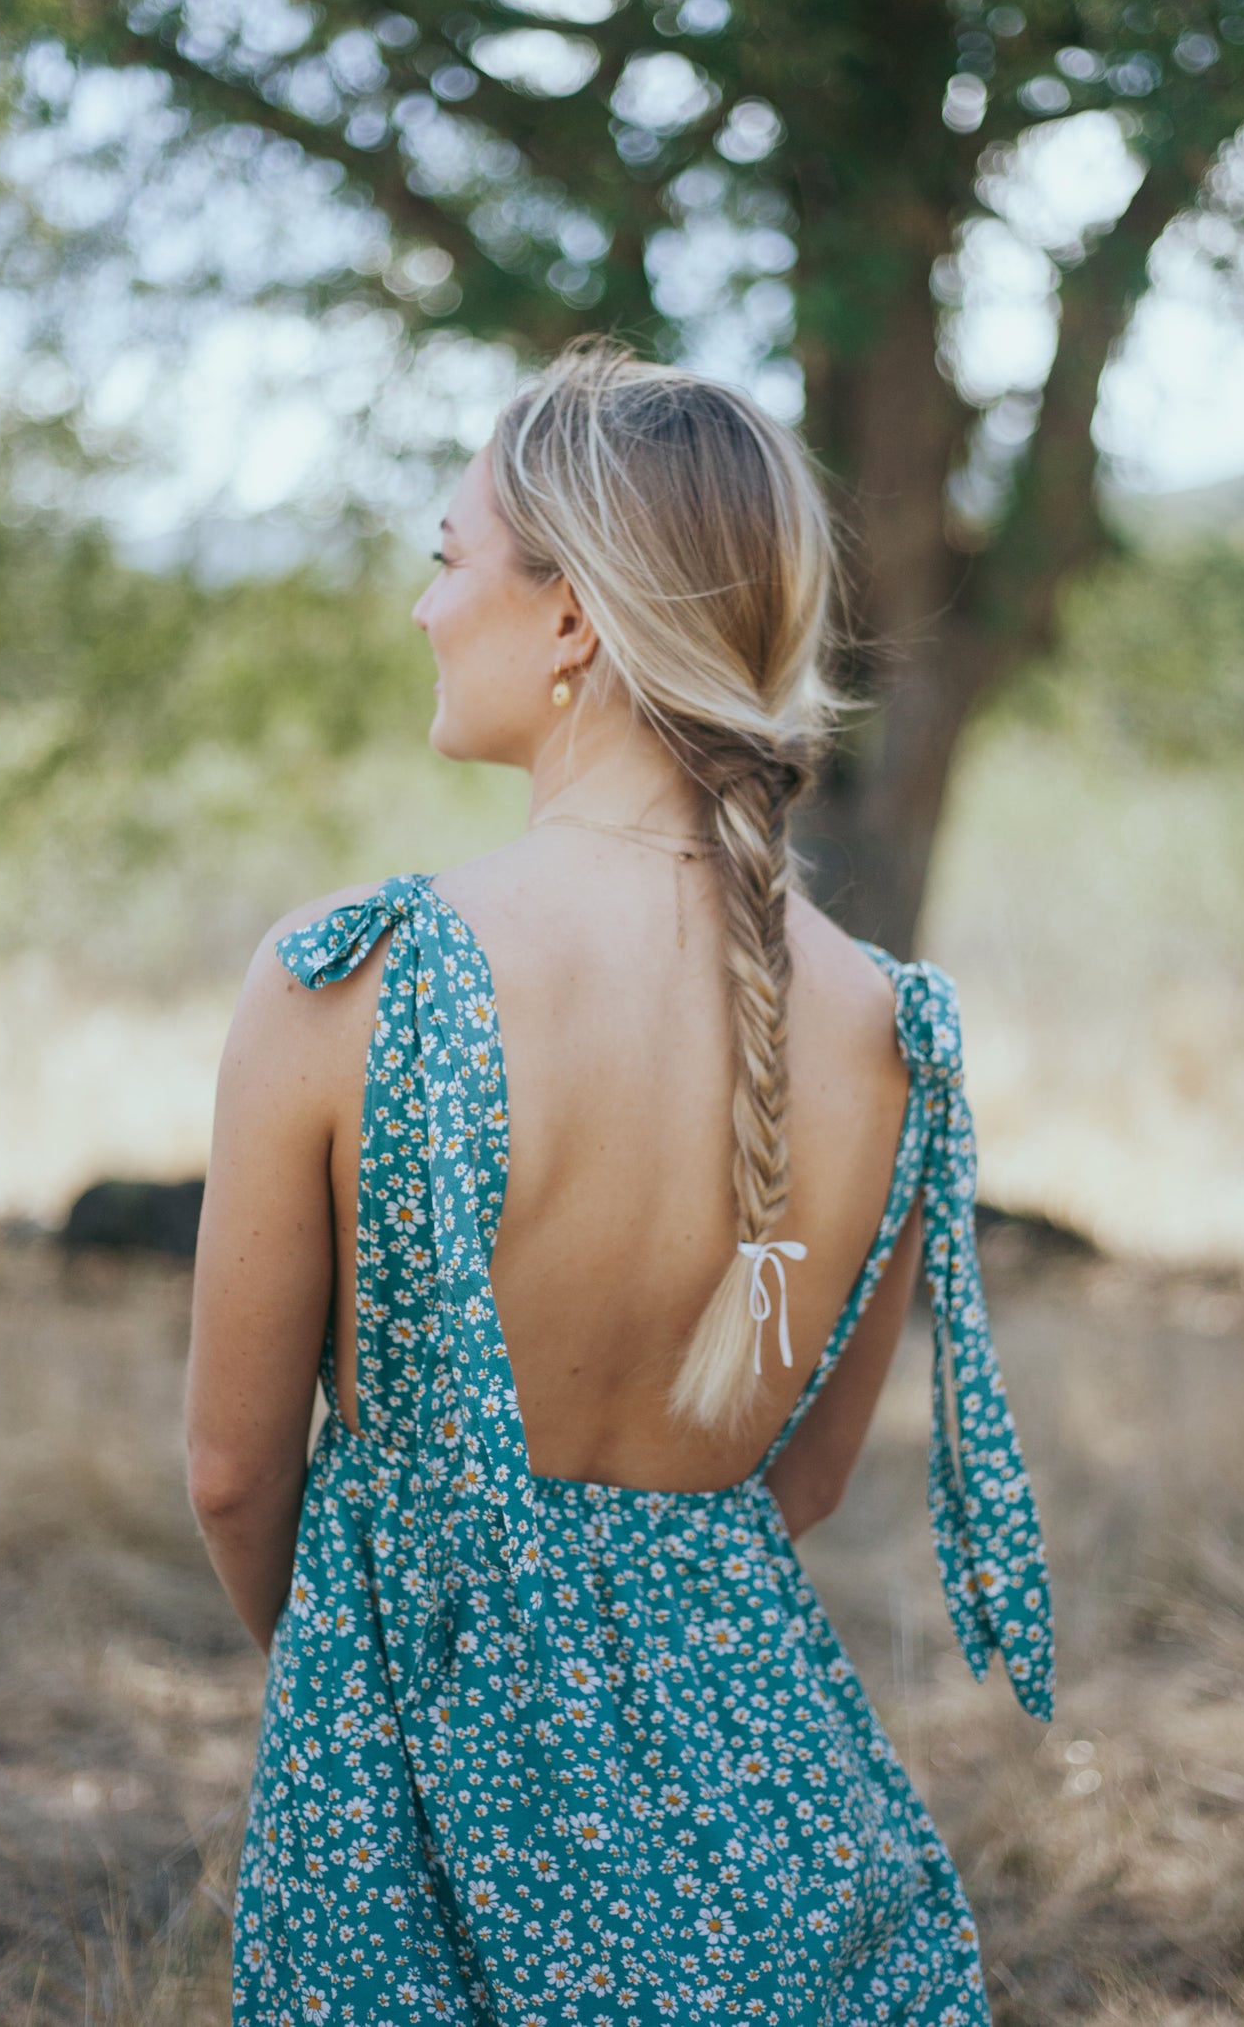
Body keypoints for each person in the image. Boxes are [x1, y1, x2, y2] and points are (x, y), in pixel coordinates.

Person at [186, 335, 1054, 2027]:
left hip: (410, 1807)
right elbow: (797, 1484)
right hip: (779, 1825)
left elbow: (232, 1473)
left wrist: (361, 1690)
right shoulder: (895, 1031)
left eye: (449, 559)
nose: (426, 609)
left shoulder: (347, 981)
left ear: (571, 614)